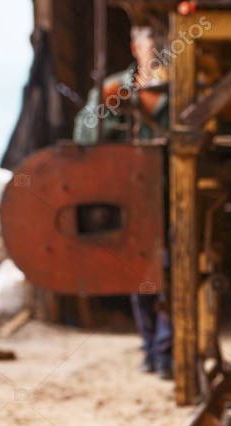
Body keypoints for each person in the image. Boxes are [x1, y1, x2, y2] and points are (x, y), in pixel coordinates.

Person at [73, 26, 174, 379]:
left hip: (174, 201)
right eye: (154, 43)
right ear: (136, 47)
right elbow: (84, 134)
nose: (161, 50)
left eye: (168, 43)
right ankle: (151, 348)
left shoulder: (184, 93)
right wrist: (102, 102)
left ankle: (166, 353)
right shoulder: (115, 87)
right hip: (132, 205)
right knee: (141, 278)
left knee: (174, 276)